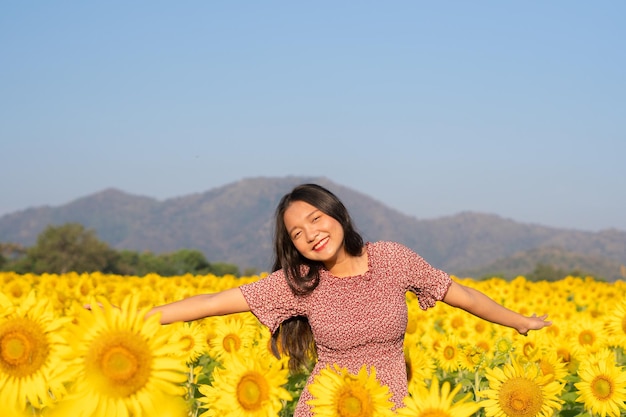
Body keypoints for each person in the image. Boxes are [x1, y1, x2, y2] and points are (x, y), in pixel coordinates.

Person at [143, 183, 551, 416]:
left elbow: (457, 294)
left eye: (314, 219)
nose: (310, 234)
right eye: (297, 234)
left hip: (389, 404)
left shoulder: (392, 258)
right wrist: (136, 319)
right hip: (327, 407)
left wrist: (517, 319)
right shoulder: (301, 282)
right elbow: (213, 302)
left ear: (335, 213)